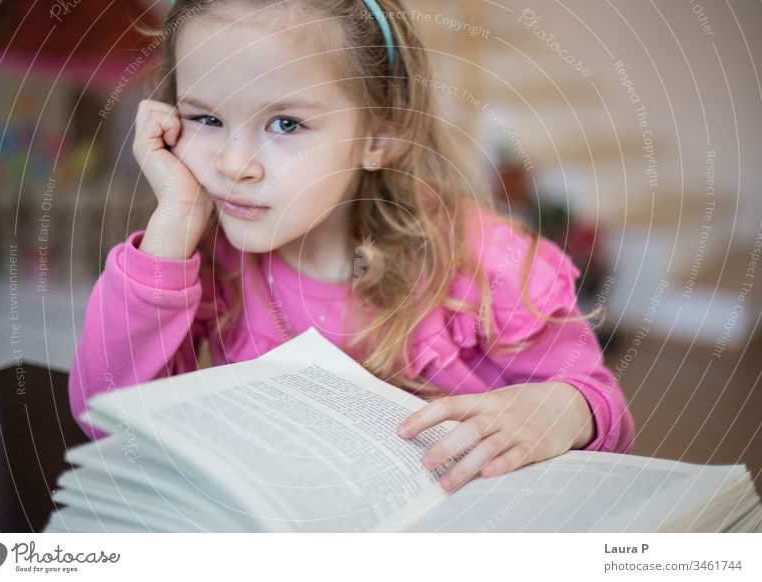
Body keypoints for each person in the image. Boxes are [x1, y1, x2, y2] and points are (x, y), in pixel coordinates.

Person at [69, 0, 634, 493]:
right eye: (206, 117)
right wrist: (174, 223)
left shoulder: (483, 262)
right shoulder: (207, 264)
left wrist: (563, 410)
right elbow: (106, 415)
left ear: (378, 134)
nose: (232, 165)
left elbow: (597, 404)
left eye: (286, 124)